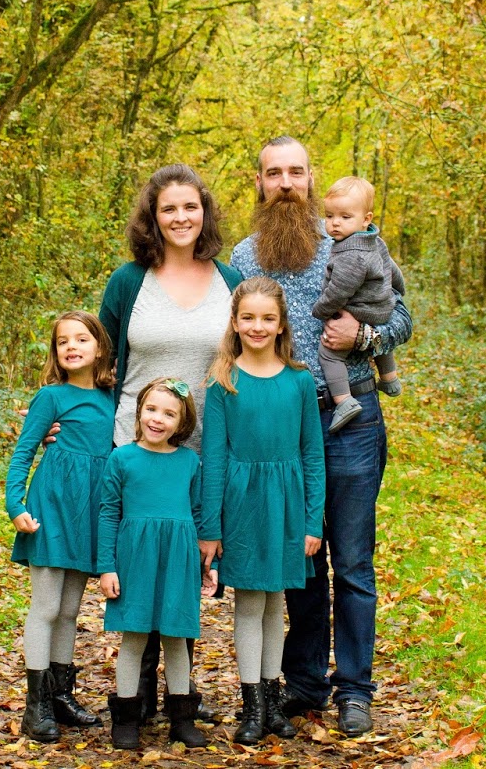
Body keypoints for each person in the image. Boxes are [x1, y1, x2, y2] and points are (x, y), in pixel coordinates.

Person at [229, 136, 413, 737]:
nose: (285, 183)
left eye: (296, 172)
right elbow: (227, 340)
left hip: (351, 417)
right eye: (273, 173)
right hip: (281, 428)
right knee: (301, 559)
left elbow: (403, 318)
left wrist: (364, 339)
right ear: (259, 183)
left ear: (311, 179)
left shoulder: (351, 241)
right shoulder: (244, 256)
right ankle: (304, 683)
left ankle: (354, 690)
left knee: (353, 562)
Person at [96, 164, 241, 721]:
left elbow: (246, 360)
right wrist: (68, 419)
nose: (181, 217)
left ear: (204, 212)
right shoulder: (128, 282)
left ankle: (181, 697)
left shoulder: (229, 280)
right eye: (169, 209)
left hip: (202, 452)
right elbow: (99, 363)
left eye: (190, 207)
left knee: (183, 567)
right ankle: (136, 699)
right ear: (152, 218)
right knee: (139, 564)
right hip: (135, 447)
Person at [197, 277, 324, 744]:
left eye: (267, 318)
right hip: (243, 504)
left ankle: (271, 704)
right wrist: (210, 526)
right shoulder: (223, 381)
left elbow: (312, 454)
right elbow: (214, 458)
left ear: (281, 324)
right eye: (248, 317)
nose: (257, 326)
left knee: (275, 604)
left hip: (286, 504)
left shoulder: (300, 380)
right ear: (234, 323)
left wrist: (312, 520)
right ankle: (251, 706)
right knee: (250, 603)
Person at [4, 312, 117, 741]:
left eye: (82, 339)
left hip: (89, 511)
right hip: (51, 507)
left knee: (70, 611)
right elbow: (23, 451)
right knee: (47, 607)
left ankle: (60, 696)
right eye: (63, 341)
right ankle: (35, 708)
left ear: (100, 347)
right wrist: (15, 503)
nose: (71, 346)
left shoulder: (112, 399)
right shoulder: (50, 397)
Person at [98, 379, 210, 751]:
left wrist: (206, 565)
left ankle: (182, 720)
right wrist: (107, 566)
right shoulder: (122, 458)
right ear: (139, 411)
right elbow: (108, 513)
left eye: (169, 414)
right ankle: (127, 720)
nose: (157, 419)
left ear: (182, 423)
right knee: (134, 638)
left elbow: (197, 514)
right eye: (151, 409)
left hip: (178, 559)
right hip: (135, 561)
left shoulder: (189, 462)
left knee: (177, 638)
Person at [314, 175, 405, 432]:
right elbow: (393, 272)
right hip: (380, 307)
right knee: (380, 345)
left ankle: (344, 401)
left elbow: (339, 291)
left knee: (328, 354)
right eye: (329, 216)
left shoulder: (350, 253)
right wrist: (397, 291)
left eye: (345, 217)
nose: (335, 223)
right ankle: (389, 378)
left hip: (360, 309)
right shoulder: (375, 241)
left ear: (366, 218)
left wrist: (320, 310)